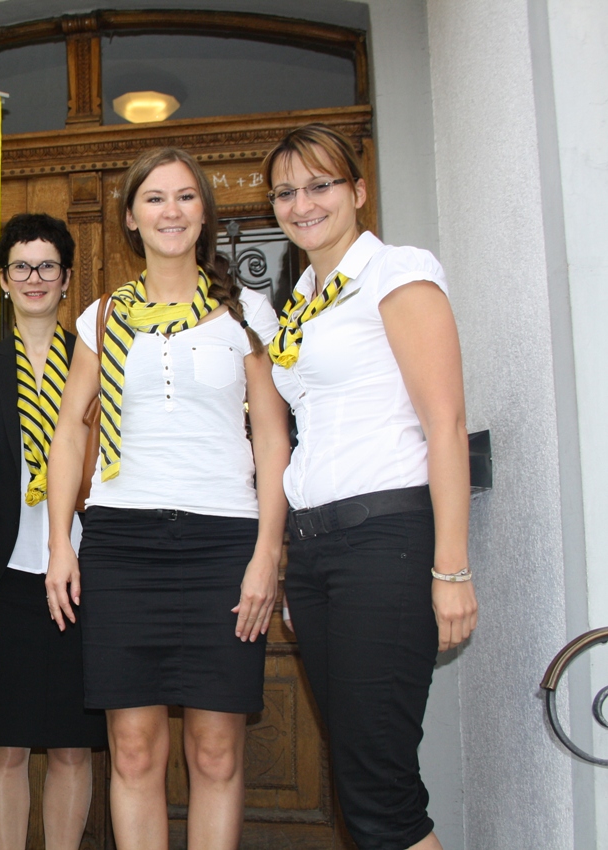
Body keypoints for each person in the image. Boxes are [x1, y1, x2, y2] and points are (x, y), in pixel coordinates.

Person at [44, 147, 290, 850]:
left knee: (215, 753)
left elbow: (273, 440)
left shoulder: (245, 314)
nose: (171, 211)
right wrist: (60, 544)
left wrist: (266, 554)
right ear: (130, 217)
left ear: (204, 213)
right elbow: (69, 435)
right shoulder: (100, 318)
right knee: (132, 752)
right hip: (122, 547)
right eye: (154, 198)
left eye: (185, 197)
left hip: (224, 546)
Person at [262, 123, 478, 850]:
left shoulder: (396, 272)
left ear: (357, 191)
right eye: (285, 192)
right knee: (362, 783)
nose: (302, 204)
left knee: (381, 793)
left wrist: (450, 569)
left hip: (384, 542)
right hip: (316, 552)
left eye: (319, 184)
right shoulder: (304, 296)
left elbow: (445, 424)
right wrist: (290, 561)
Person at [0, 213, 107, 850]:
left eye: (47, 266)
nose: (34, 277)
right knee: (7, 745)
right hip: (5, 577)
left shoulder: (98, 361)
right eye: (21, 266)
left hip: (85, 573)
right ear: (3, 279)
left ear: (67, 278)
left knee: (74, 746)